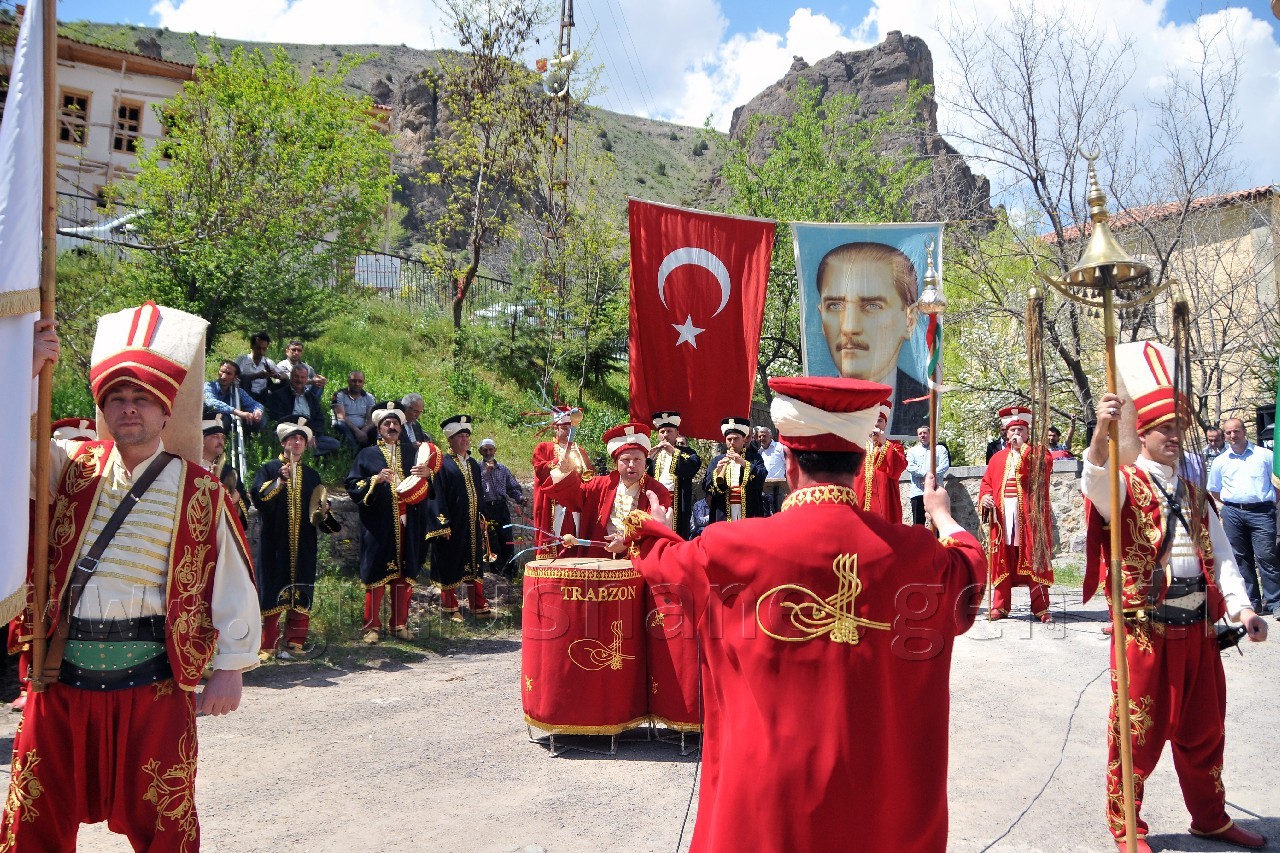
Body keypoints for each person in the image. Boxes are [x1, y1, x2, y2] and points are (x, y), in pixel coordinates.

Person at [617, 375, 984, 853]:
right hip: (873, 800)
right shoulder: (915, 553)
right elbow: (971, 571)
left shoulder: (731, 547)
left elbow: (664, 563)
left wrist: (651, 527)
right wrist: (943, 517)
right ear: (859, 463)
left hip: (769, 798)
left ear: (787, 462)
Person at [2, 305, 260, 850]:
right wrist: (22, 373)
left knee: (165, 828)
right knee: (34, 823)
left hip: (154, 682)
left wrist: (231, 666)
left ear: (166, 411)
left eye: (141, 399)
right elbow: (5, 449)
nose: (128, 409)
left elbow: (232, 579)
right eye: (116, 399)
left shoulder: (201, 490)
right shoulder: (70, 465)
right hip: (61, 676)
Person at [1083, 341, 1268, 853]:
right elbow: (1093, 480)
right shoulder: (1123, 484)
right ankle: (1126, 828)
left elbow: (1223, 555)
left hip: (1199, 631)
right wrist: (1101, 430)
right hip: (1146, 632)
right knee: (1136, 734)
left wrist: (1243, 608)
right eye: (1165, 430)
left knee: (1205, 731)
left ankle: (1209, 818)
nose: (1174, 438)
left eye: (1178, 430)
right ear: (1142, 434)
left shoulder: (1195, 491)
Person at [250, 416, 342, 661]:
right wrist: (279, 480)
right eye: (293, 437)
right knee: (273, 589)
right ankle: (268, 645)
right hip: (275, 543)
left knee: (301, 590)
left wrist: (325, 511)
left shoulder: (312, 476)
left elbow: (318, 513)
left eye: (302, 438)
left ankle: (295, 642)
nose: (298, 442)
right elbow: (259, 500)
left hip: (304, 544)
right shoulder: (269, 469)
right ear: (284, 442)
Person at [814, 241, 926, 434]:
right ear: (821, 315)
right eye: (835, 306)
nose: (849, 327)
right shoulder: (812, 411)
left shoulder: (926, 407)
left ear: (909, 320)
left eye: (872, 306)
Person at [346, 402, 434, 643]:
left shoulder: (411, 453)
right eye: (387, 423)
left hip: (410, 522)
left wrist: (429, 475)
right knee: (376, 574)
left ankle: (399, 624)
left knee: (405, 574)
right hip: (379, 525)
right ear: (378, 428)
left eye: (396, 423)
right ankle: (371, 627)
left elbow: (429, 483)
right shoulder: (366, 455)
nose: (392, 426)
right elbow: (353, 486)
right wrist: (374, 479)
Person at [547, 422, 672, 558]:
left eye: (637, 459)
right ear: (615, 463)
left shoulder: (658, 491)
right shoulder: (600, 484)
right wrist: (565, 473)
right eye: (626, 460)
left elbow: (656, 529)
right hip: (601, 557)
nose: (632, 465)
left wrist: (625, 542)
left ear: (645, 461)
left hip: (638, 562)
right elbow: (573, 498)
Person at [979, 405, 1055, 622]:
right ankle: (1000, 606)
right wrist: (985, 497)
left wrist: (1024, 450)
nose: (1016, 434)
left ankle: (1041, 607)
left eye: (1021, 430)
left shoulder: (1039, 453)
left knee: (1034, 557)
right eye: (1012, 431)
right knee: (1002, 557)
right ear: (1006, 433)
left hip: (1029, 516)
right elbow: (986, 483)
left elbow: (1042, 469)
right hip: (1003, 516)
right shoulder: (997, 458)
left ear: (1027, 433)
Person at [1208, 417, 1280, 618]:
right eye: (1229, 433)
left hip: (1262, 512)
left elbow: (1277, 484)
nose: (1233, 436)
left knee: (1267, 556)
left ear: (1244, 431)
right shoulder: (1220, 461)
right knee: (1240, 559)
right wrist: (1228, 507)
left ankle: (1275, 602)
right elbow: (1214, 490)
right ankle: (1252, 603)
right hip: (1233, 513)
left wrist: (1269, 504)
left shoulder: (1264, 456)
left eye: (1236, 431)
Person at [426, 415, 495, 621]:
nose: (465, 440)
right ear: (450, 440)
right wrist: (442, 524)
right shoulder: (441, 464)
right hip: (452, 524)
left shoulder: (473, 463)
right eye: (460, 436)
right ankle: (450, 606)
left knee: (474, 563)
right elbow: (436, 494)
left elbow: (478, 493)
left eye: (467, 436)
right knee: (451, 563)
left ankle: (478, 605)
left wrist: (482, 515)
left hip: (471, 523)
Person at [531, 408, 595, 557]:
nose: (568, 432)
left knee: (573, 544)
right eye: (565, 428)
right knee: (554, 543)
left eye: (571, 429)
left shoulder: (579, 450)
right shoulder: (543, 448)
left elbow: (588, 476)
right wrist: (556, 463)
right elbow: (539, 469)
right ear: (556, 428)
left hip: (574, 506)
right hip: (554, 505)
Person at [647, 411, 702, 538]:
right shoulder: (654, 454)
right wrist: (648, 458)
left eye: (669, 431)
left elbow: (690, 469)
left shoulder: (688, 453)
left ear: (677, 434)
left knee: (678, 533)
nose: (665, 435)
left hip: (678, 501)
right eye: (662, 432)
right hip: (657, 501)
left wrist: (673, 452)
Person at [265, 365, 340, 457]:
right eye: (296, 376)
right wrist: (298, 433)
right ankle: (305, 453)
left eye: (302, 377)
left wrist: (312, 435)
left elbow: (320, 420)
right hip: (289, 432)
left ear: (306, 379)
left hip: (309, 435)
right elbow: (278, 418)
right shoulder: (279, 395)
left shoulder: (312, 397)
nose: (299, 380)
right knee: (277, 436)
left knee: (334, 444)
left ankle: (300, 453)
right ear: (291, 377)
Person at [852, 400, 907, 523]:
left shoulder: (895, 445)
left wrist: (884, 444)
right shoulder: (858, 445)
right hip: (860, 498)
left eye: (880, 420)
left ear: (885, 424)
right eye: (873, 420)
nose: (876, 424)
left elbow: (898, 469)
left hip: (884, 500)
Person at [704, 417, 766, 523]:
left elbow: (761, 478)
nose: (732, 442)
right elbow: (707, 488)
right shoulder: (717, 460)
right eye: (729, 439)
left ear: (744, 439)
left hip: (749, 511)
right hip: (723, 512)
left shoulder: (755, 458)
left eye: (736, 439)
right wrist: (718, 473)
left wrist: (744, 463)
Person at [478, 437, 523, 574]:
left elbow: (512, 487)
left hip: (501, 508)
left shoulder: (503, 469)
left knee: (507, 540)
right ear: (481, 452)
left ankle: (510, 572)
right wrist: (485, 472)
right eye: (485, 450)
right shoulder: (477, 468)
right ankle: (496, 572)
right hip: (486, 509)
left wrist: (519, 498)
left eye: (491, 449)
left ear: (495, 451)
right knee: (491, 543)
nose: (488, 452)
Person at [201, 412, 249, 528]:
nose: (221, 442)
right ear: (201, 439)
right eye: (215, 437)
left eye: (222, 437)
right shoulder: (190, 466)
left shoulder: (229, 472)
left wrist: (236, 501)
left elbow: (244, 506)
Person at [905, 424, 950, 526]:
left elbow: (944, 465)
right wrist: (925, 475)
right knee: (918, 524)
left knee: (938, 523)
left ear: (930, 434)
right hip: (918, 492)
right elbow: (909, 466)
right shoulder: (912, 451)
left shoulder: (940, 449)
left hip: (935, 491)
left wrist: (930, 478)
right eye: (920, 433)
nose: (923, 435)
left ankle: (938, 542)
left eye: (925, 433)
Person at [203, 358, 264, 430]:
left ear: (235, 378)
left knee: (260, 419)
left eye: (228, 373)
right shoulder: (209, 385)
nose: (223, 376)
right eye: (222, 371)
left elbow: (254, 404)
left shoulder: (238, 391)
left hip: (229, 422)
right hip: (205, 419)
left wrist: (258, 411)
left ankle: (249, 437)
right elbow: (211, 402)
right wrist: (237, 412)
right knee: (224, 418)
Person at [332, 371, 377, 449]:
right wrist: (357, 431)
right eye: (353, 381)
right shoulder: (338, 395)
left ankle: (373, 451)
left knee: (377, 427)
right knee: (340, 424)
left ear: (364, 383)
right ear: (348, 381)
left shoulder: (369, 397)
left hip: (362, 429)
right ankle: (354, 451)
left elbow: (371, 419)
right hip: (345, 427)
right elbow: (341, 416)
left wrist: (363, 431)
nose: (357, 384)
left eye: (360, 381)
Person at [754, 425, 788, 516]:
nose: (761, 438)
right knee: (765, 515)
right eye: (759, 436)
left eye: (764, 436)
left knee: (778, 515)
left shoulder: (779, 447)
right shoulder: (759, 452)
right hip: (763, 488)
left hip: (778, 487)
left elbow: (788, 464)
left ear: (771, 436)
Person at [236, 331, 278, 402]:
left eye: (264, 349)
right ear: (252, 346)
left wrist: (276, 375)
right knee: (245, 380)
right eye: (258, 348)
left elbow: (284, 376)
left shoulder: (268, 362)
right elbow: (235, 376)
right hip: (244, 394)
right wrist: (258, 375)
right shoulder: (243, 359)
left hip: (262, 394)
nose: (261, 352)